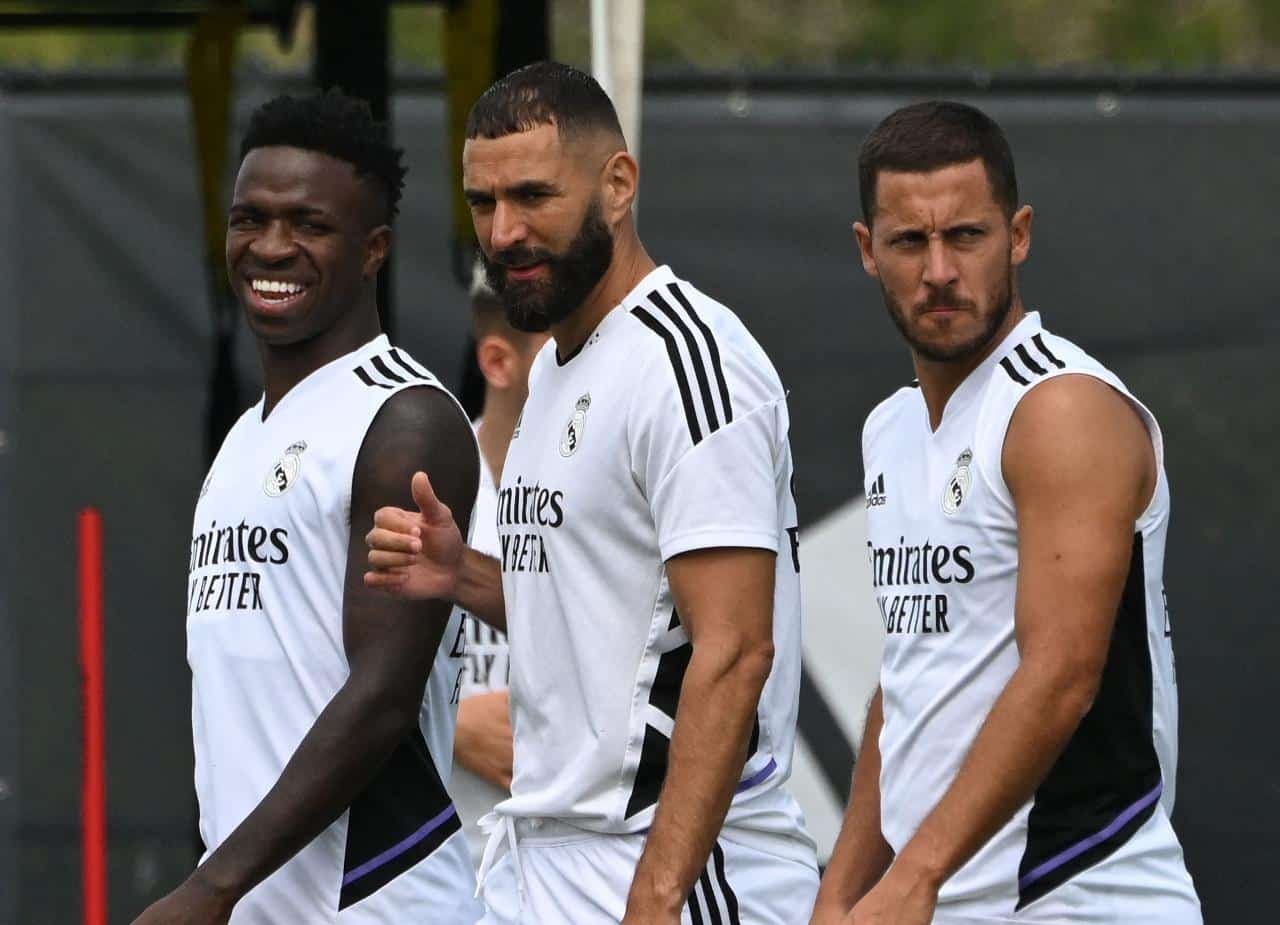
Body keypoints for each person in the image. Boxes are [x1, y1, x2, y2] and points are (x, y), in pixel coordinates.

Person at [365, 61, 819, 924]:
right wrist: (459, 571)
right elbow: (598, 613)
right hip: (541, 859)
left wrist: (659, 889)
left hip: (677, 866)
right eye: (482, 202)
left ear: (618, 184)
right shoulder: (553, 376)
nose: (504, 232)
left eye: (533, 194)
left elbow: (734, 648)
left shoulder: (689, 360)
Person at [810, 101, 1200, 924]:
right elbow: (909, 678)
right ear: (866, 252)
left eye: (968, 236)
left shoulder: (1061, 407)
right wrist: (841, 894)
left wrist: (911, 878)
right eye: (910, 242)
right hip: (945, 899)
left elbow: (1062, 675)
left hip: (1081, 893)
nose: (940, 269)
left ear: (1018, 235)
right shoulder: (891, 425)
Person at [134, 92, 481, 924]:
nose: (272, 246)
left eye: (309, 224)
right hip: (260, 903)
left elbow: (384, 698)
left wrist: (213, 885)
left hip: (377, 905)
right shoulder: (243, 440)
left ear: (374, 250)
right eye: (249, 219)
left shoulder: (404, 419)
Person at [452, 262, 547, 865]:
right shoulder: (411, 482)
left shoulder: (624, 481)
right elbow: (315, 669)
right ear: (498, 362)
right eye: (565, 350)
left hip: (579, 869)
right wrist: (449, 725)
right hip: (435, 874)